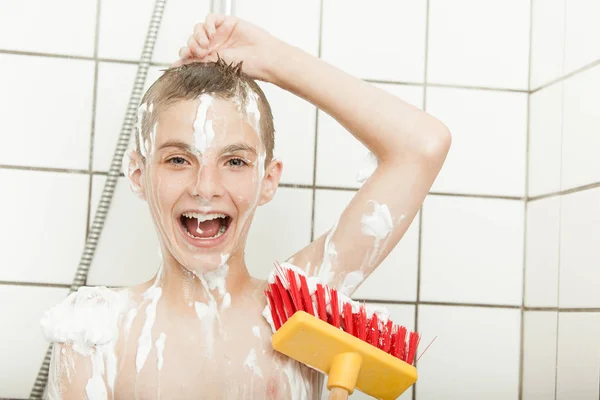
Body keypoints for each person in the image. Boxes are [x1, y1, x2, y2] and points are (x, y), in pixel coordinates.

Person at [41, 13, 451, 400]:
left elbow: (422, 145)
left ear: (267, 179)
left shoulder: (298, 313)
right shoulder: (94, 332)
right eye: (178, 160)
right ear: (138, 174)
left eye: (234, 161)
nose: (206, 187)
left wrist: (272, 60)